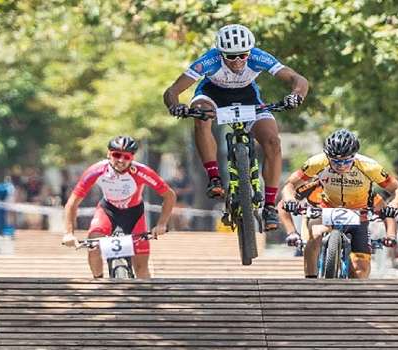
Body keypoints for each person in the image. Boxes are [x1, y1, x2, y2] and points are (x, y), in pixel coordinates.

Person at [163, 24, 309, 231]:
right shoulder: (209, 60)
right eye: (231, 56)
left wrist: (296, 95)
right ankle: (214, 178)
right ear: (221, 53)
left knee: (273, 142)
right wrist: (175, 106)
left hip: (247, 98)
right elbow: (172, 91)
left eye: (243, 55)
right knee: (200, 115)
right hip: (212, 96)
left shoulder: (258, 57)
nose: (238, 61)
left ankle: (269, 206)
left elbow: (297, 79)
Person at [279, 129, 398, 279]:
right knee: (315, 235)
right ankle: (310, 281)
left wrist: (394, 206)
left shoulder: (370, 167)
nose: (341, 165)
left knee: (360, 271)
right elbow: (289, 185)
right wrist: (290, 199)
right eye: (335, 161)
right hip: (327, 209)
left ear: (354, 156)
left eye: (346, 161)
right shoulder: (318, 162)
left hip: (359, 215)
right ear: (327, 156)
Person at [62, 136, 176, 279]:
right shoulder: (96, 171)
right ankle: (99, 282)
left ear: (132, 158)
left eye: (126, 156)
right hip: (108, 211)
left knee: (142, 271)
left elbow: (169, 195)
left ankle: (145, 299)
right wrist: (68, 233)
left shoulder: (141, 172)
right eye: (116, 155)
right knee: (94, 245)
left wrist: (161, 224)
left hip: (134, 214)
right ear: (109, 154)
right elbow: (72, 203)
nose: (121, 160)